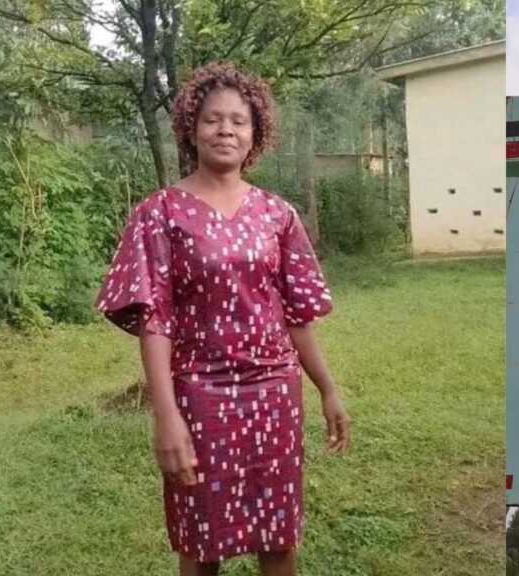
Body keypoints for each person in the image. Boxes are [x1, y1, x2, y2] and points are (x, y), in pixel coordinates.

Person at [95, 62, 351, 576]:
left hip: (274, 394)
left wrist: (326, 387)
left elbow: (297, 313)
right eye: (213, 119)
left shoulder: (277, 214)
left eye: (239, 120)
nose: (226, 130)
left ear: (256, 134)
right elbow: (154, 320)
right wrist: (165, 415)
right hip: (199, 397)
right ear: (192, 127)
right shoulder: (160, 213)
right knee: (201, 542)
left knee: (279, 537)